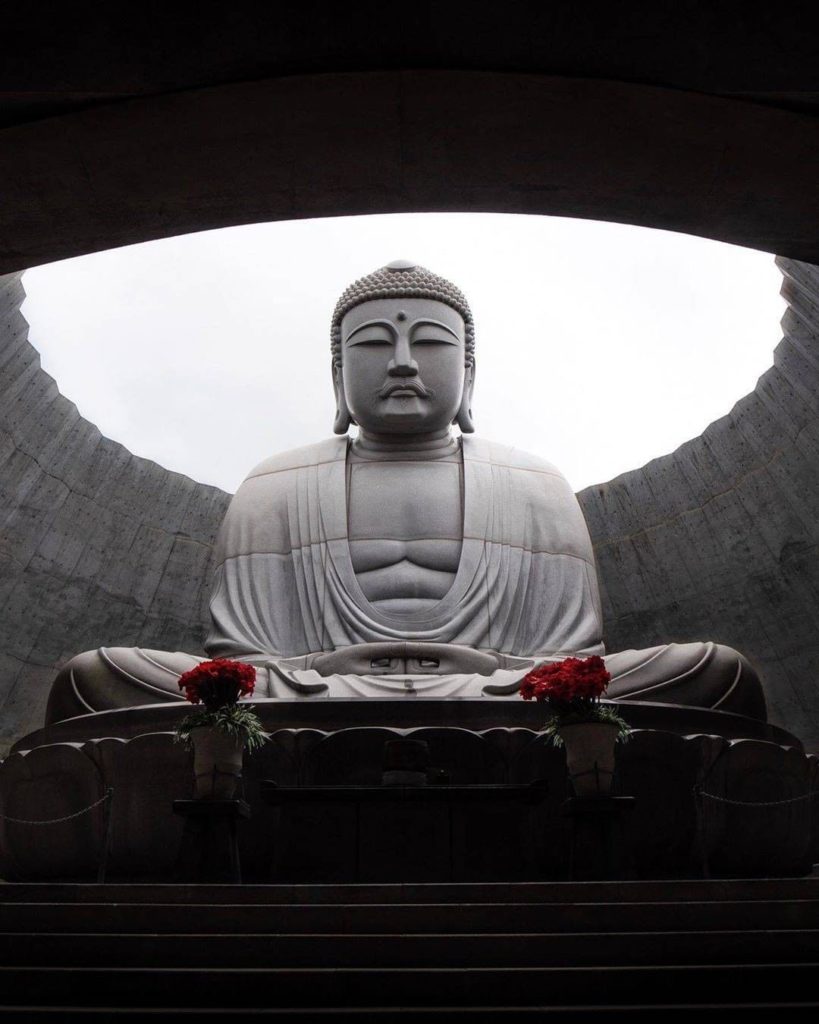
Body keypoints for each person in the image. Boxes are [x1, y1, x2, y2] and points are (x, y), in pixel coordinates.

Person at [46, 261, 766, 723]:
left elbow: (563, 657)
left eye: (427, 343)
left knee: (709, 671)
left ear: (469, 373)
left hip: (500, 699)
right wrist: (321, 678)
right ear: (336, 375)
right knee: (98, 677)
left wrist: (500, 679)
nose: (399, 363)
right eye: (369, 347)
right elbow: (245, 661)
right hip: (311, 700)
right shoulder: (273, 484)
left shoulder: (534, 484)